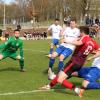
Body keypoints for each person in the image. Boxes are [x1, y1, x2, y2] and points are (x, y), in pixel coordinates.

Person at [40, 26, 99, 97]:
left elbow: (79, 43)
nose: (79, 33)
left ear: (83, 32)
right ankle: (49, 86)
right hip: (80, 63)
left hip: (74, 62)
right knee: (60, 74)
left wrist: (66, 41)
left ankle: (76, 89)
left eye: (80, 32)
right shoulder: (93, 42)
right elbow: (96, 50)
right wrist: (92, 55)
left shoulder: (85, 37)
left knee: (60, 79)